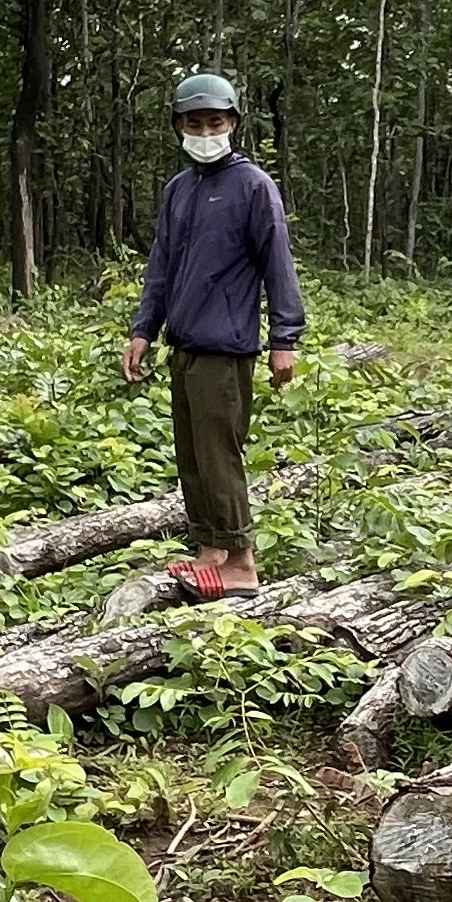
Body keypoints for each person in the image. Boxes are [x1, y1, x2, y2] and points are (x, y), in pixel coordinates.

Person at [122, 73, 305, 598]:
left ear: (233, 124)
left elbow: (278, 263)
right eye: (194, 123)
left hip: (226, 348)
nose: (205, 131)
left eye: (215, 122)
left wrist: (284, 339)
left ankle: (241, 563)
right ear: (179, 127)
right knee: (193, 453)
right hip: (184, 342)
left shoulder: (253, 186)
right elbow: (161, 267)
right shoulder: (179, 190)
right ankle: (210, 549)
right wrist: (143, 331)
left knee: (220, 454)